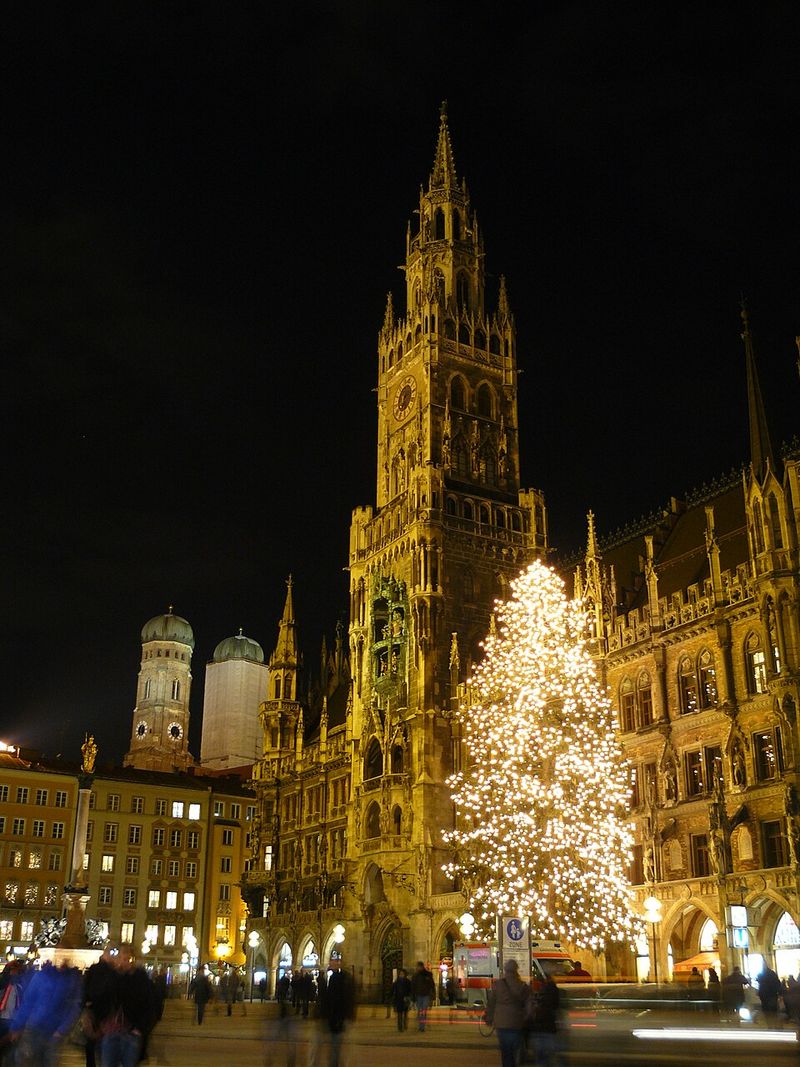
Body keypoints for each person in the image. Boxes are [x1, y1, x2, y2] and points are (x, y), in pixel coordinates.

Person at [10, 960, 82, 1067]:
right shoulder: (70, 980)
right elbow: (28, 1002)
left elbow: (28, 1002)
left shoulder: (45, 977)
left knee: (31, 1060)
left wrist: (17, 1026)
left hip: (42, 1029)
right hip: (42, 1030)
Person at [95, 950, 158, 1067]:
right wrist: (101, 1023)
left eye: (127, 959)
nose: (123, 962)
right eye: (120, 958)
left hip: (131, 1033)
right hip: (110, 1031)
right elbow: (99, 997)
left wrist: (140, 1028)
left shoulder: (140, 980)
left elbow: (151, 1007)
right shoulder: (110, 976)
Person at [485, 959, 533, 1067]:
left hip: (501, 1023)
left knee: (506, 1051)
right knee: (516, 1050)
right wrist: (527, 1017)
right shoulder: (523, 986)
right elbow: (529, 1005)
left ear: (505, 970)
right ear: (516, 970)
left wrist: (489, 1018)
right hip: (517, 1023)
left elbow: (491, 1003)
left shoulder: (498, 985)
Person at [315, 958, 355, 1067]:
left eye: (334, 962)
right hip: (335, 1017)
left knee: (334, 1045)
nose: (331, 963)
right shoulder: (339, 978)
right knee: (335, 1045)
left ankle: (334, 1063)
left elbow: (335, 999)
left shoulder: (338, 978)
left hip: (336, 1017)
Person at [528, 973, 566, 1067]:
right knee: (551, 1055)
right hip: (549, 1028)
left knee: (541, 1056)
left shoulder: (539, 994)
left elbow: (532, 1011)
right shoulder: (553, 992)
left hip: (540, 1028)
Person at [410, 960, 436, 1032]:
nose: (418, 968)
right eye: (417, 967)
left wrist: (433, 995)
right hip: (418, 995)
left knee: (424, 1010)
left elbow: (432, 985)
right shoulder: (415, 976)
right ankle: (420, 1024)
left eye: (419, 966)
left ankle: (422, 1027)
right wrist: (413, 997)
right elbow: (413, 987)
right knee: (420, 1011)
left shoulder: (428, 974)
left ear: (422, 966)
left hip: (426, 995)